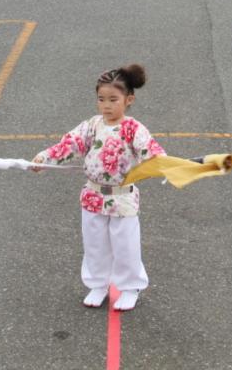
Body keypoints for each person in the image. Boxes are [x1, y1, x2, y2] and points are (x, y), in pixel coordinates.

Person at [32, 64, 166, 312]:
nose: (106, 105)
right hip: (93, 195)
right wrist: (45, 158)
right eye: (101, 99)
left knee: (125, 245)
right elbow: (69, 144)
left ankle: (130, 287)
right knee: (95, 245)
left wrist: (163, 163)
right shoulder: (92, 125)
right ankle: (97, 284)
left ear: (129, 99)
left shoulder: (134, 129)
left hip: (122, 198)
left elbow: (151, 151)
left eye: (113, 100)